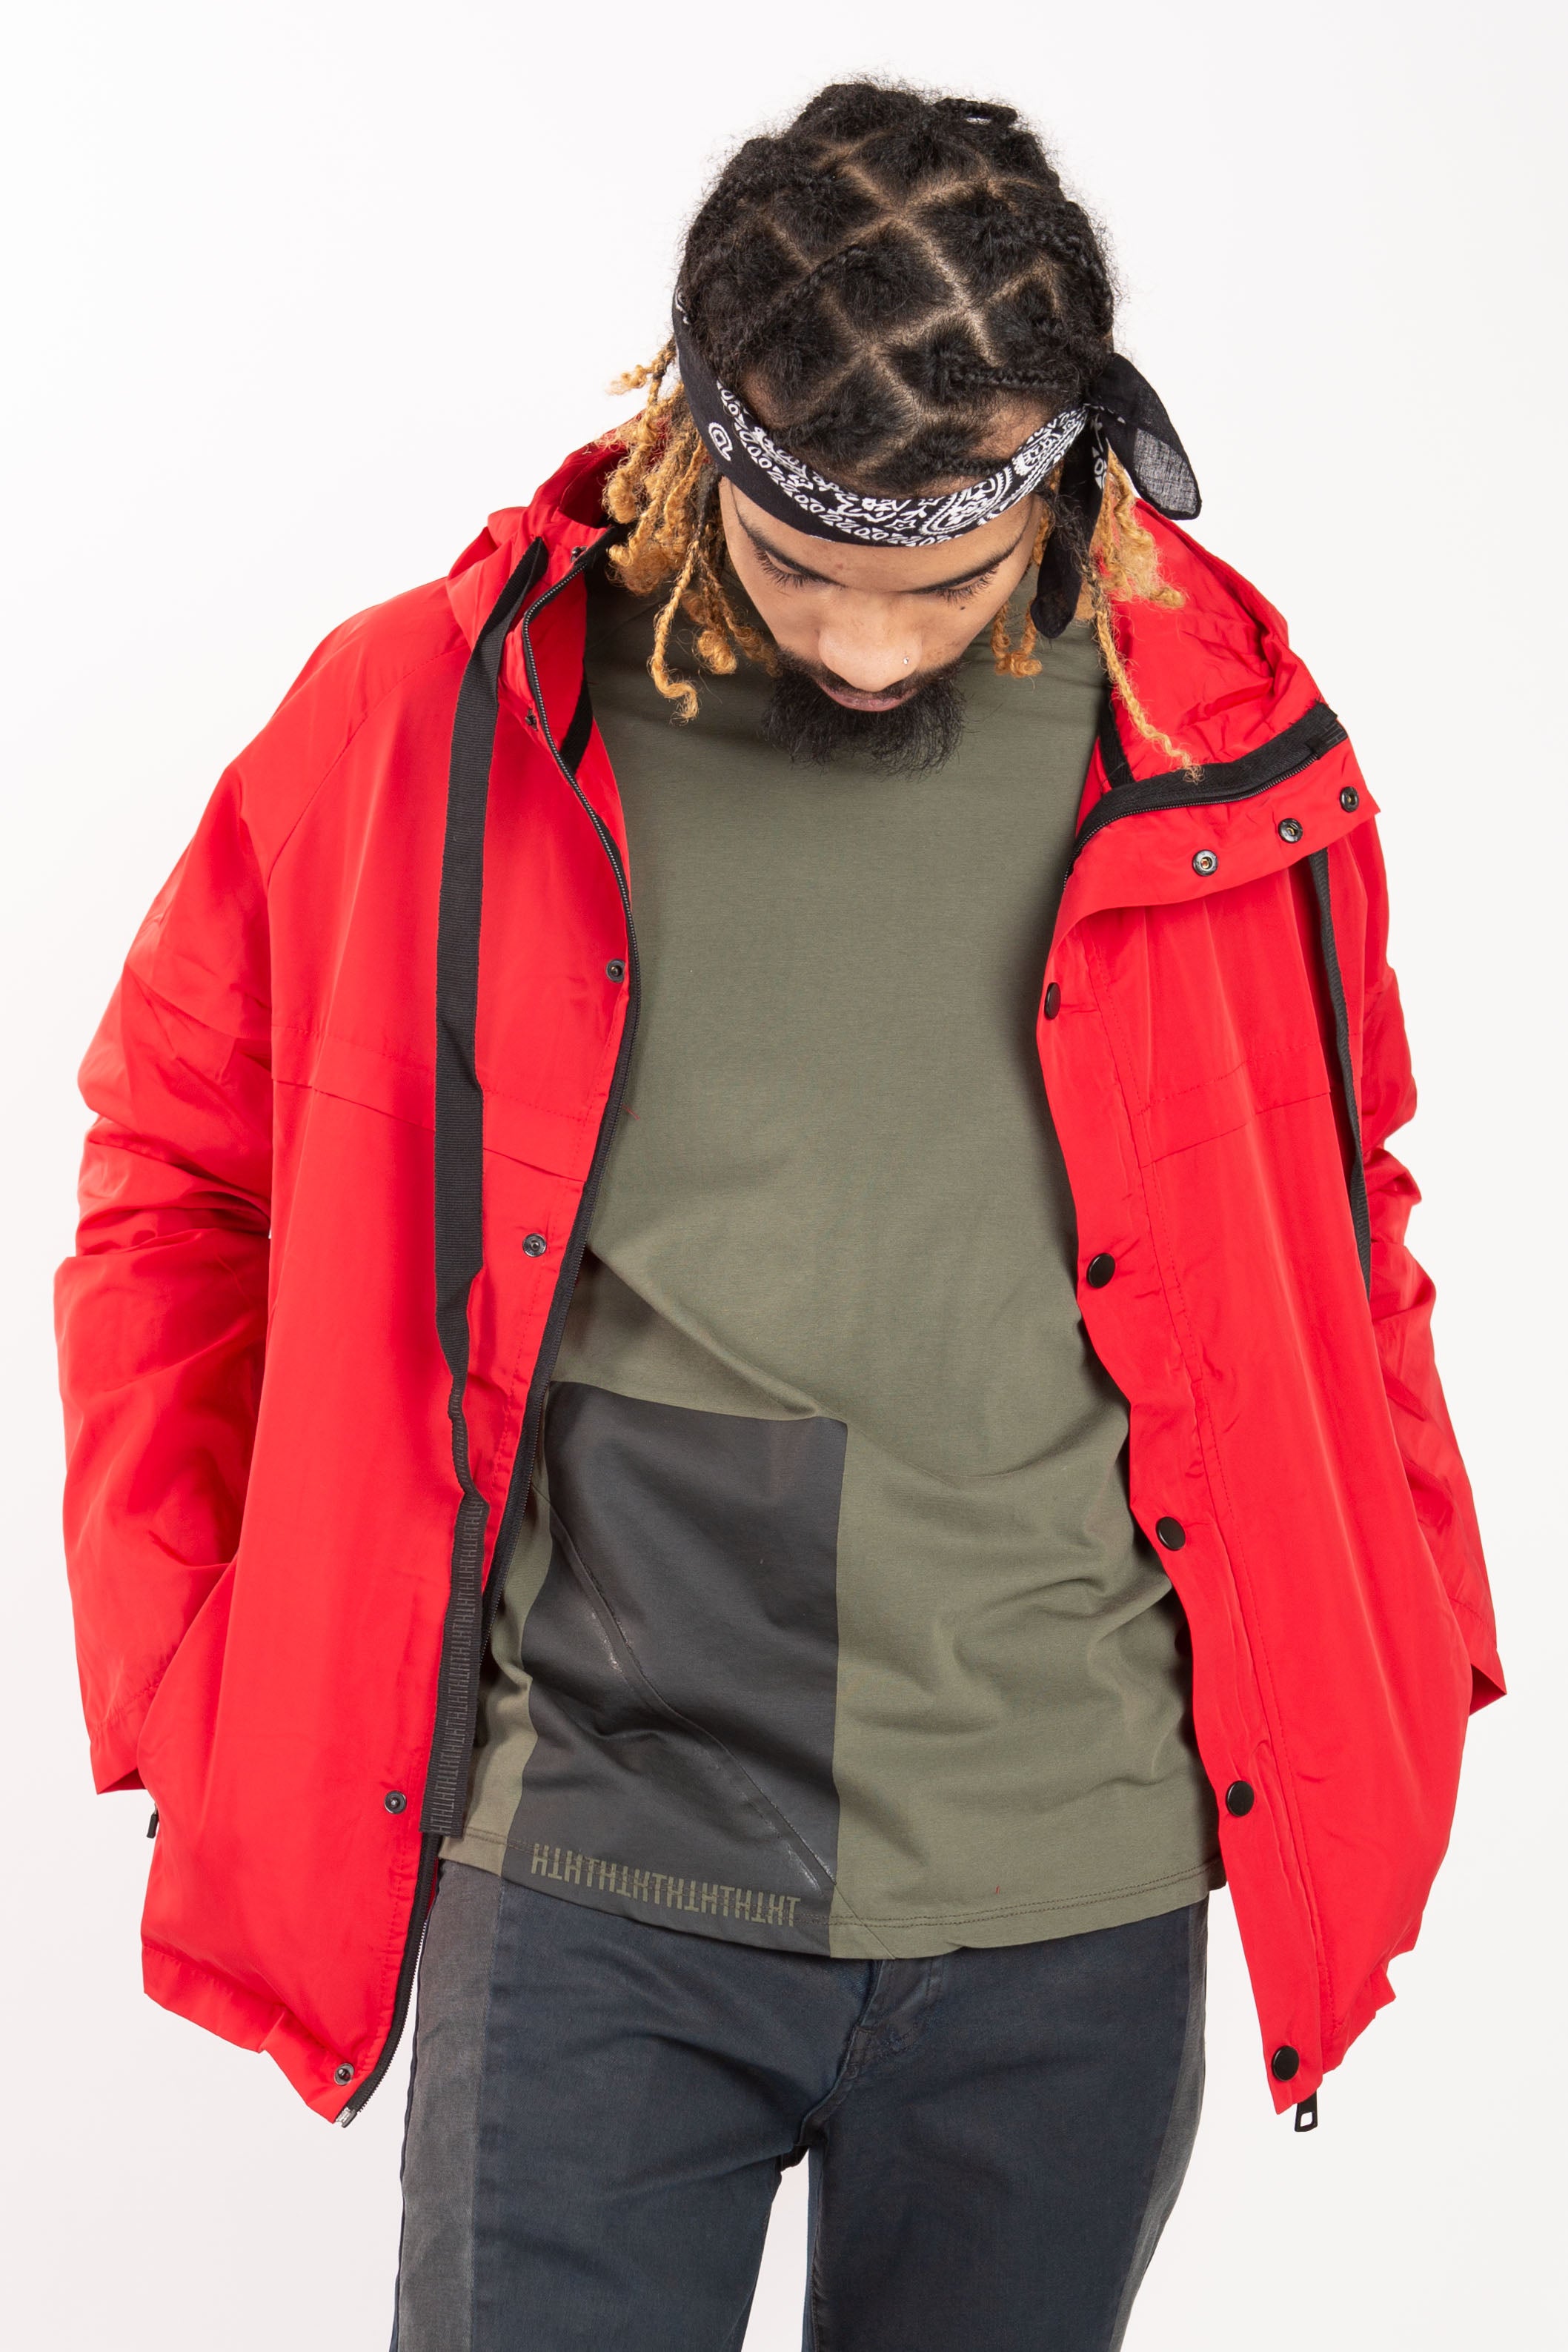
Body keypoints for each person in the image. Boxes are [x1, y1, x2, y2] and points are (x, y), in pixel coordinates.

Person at [56, 80, 1502, 2352]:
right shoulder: (438, 720)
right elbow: (176, 1171)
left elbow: (1344, 1204)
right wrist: (181, 1663)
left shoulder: (1219, 741)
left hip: (1073, 1885)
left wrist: (1412, 1611)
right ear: (686, 436)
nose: (864, 648)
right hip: (596, 1866)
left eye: (938, 581)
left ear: (1069, 479)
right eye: (796, 562)